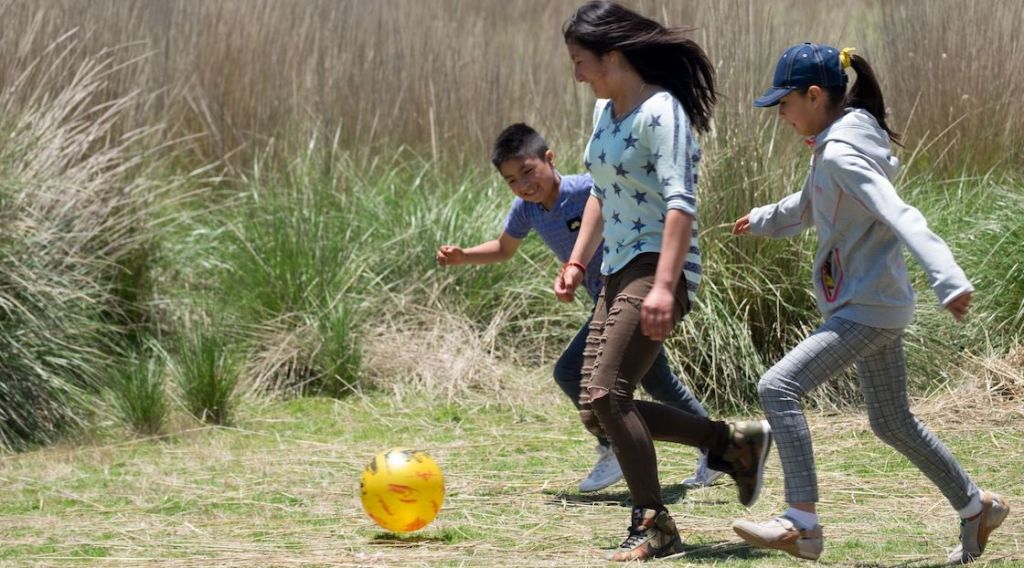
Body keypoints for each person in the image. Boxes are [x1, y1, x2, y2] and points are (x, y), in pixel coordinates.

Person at [730, 43, 1009, 564]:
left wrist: (948, 279)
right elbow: (811, 205)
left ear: (814, 96)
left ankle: (801, 522)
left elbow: (901, 214)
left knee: (778, 386)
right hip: (871, 304)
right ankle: (977, 507)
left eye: (784, 104)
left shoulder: (840, 152)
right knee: (891, 421)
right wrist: (763, 216)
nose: (781, 116)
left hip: (867, 307)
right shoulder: (836, 144)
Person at [558, 1, 772, 561]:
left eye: (582, 62)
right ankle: (728, 443)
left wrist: (662, 286)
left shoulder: (663, 113)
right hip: (615, 269)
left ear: (613, 54)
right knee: (594, 407)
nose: (577, 74)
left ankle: (653, 524)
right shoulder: (607, 113)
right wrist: (578, 261)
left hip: (660, 267)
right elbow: (601, 193)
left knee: (609, 394)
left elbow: (681, 203)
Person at [436, 123, 723, 494]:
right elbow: (504, 248)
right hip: (606, 302)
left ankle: (614, 443)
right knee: (656, 379)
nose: (523, 186)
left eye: (528, 172)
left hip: (628, 291)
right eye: (511, 181)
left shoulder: (588, 190)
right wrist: (464, 257)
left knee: (570, 372)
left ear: (549, 159)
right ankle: (719, 447)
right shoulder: (526, 210)